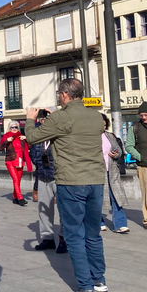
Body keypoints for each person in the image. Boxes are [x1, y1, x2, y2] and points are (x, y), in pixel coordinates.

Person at [26, 78, 107, 292]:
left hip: (71, 181)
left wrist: (30, 118)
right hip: (96, 180)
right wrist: (57, 119)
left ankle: (85, 285)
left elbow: (32, 137)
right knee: (93, 233)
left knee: (73, 235)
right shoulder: (96, 116)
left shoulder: (61, 117)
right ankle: (99, 280)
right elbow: (76, 131)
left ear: (64, 94)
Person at [28, 110, 67, 253]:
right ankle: (47, 238)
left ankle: (64, 238)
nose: (44, 120)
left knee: (63, 209)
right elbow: (33, 152)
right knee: (44, 209)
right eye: (42, 118)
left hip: (58, 176)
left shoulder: (59, 131)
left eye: (46, 118)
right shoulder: (38, 134)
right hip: (43, 176)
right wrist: (38, 163)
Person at [101, 115, 129, 234]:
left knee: (116, 197)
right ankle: (99, 223)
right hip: (98, 171)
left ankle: (120, 224)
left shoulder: (109, 135)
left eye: (105, 124)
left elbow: (119, 149)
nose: (104, 126)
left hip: (112, 171)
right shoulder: (89, 137)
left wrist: (116, 154)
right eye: (101, 125)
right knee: (97, 198)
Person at [0, 121, 33, 206]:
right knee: (16, 180)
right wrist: (7, 141)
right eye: (12, 127)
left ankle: (15, 197)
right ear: (9, 128)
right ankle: (20, 198)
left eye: (16, 127)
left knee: (18, 180)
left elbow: (30, 147)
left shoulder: (21, 137)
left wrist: (26, 139)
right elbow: (0, 148)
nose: (14, 129)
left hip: (20, 161)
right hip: (10, 161)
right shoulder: (6, 136)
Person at [124, 101, 147, 229]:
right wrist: (140, 157)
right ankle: (146, 219)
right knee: (146, 194)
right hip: (143, 166)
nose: (143, 117)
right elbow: (129, 146)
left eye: (146, 115)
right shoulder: (135, 128)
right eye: (141, 115)